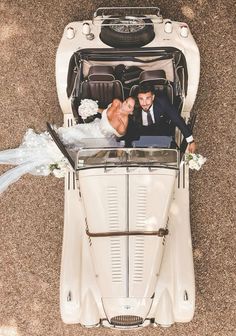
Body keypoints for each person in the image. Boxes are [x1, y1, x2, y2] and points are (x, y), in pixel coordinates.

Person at [0, 97, 135, 194]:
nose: (125, 105)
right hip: (93, 126)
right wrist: (92, 109)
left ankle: (61, 151)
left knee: (78, 142)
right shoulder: (116, 102)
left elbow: (113, 137)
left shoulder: (123, 125)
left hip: (99, 139)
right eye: (126, 102)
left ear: (131, 111)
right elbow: (103, 112)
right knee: (72, 132)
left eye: (129, 106)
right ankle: (56, 144)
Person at [126, 84, 196, 153]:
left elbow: (177, 119)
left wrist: (190, 141)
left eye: (148, 98)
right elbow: (128, 127)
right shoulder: (133, 106)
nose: (144, 103)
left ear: (153, 97)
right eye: (141, 99)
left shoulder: (162, 102)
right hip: (141, 136)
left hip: (160, 133)